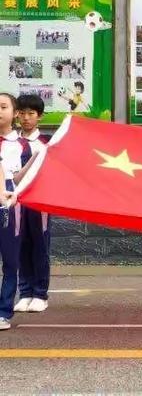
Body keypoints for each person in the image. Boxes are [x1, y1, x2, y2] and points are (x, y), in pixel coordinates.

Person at [14, 94, 51, 313]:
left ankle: (40, 294)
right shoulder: (11, 142)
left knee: (40, 246)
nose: (26, 118)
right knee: (20, 247)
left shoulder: (46, 142)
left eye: (31, 114)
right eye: (22, 113)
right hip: (16, 201)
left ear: (40, 117)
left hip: (40, 202)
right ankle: (25, 292)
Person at [0, 93, 31, 330]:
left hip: (9, 198)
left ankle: (4, 312)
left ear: (15, 113)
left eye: (3, 107)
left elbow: (18, 177)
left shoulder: (21, 145)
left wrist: (36, 160)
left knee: (11, 259)